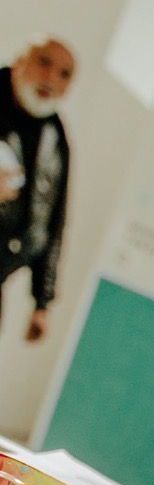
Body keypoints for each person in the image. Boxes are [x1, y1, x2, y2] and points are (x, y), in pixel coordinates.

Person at [0, 36, 76, 343]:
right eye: (44, 62)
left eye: (64, 74)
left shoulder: (56, 138)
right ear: (22, 61)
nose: (51, 78)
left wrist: (42, 302)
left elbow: (54, 219)